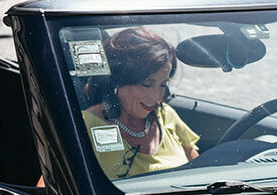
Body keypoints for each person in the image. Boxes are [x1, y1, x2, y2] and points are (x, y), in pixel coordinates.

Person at [81, 26, 200, 180]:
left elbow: (199, 173)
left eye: (163, 85)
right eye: (146, 84)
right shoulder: (85, 125)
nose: (157, 97)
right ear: (119, 79)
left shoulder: (165, 114)